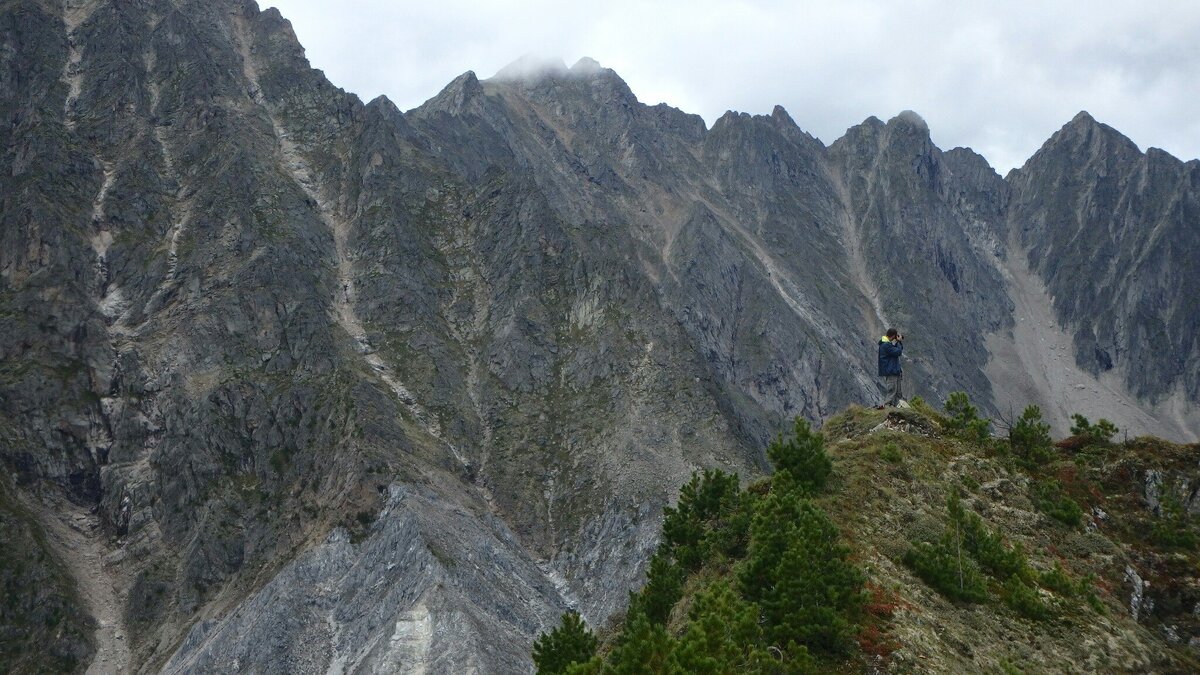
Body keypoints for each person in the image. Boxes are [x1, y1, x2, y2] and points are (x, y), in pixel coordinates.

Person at [878, 328, 904, 407]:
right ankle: (887, 406)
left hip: (894, 370)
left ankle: (897, 407)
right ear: (893, 336)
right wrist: (899, 342)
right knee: (892, 390)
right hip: (890, 371)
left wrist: (897, 343)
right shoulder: (885, 345)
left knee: (898, 392)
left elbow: (895, 351)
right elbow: (898, 352)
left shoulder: (887, 344)